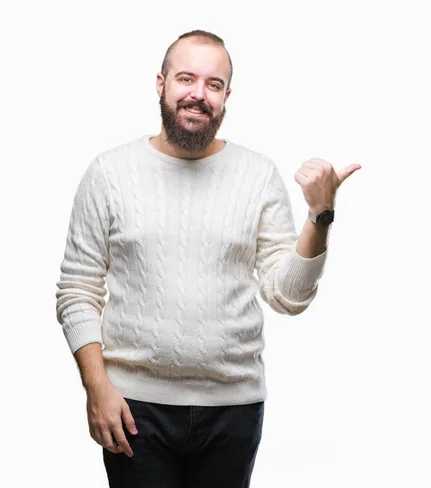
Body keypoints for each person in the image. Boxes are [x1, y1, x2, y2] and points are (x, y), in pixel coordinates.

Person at [55, 29, 360, 488]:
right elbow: (77, 291)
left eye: (213, 85)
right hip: (134, 408)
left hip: (233, 410)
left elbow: (288, 297)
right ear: (161, 84)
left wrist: (320, 215)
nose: (198, 94)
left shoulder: (257, 176)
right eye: (186, 79)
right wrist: (96, 388)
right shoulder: (109, 174)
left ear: (226, 96)